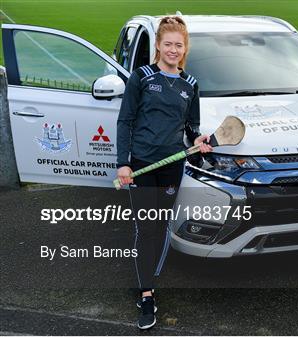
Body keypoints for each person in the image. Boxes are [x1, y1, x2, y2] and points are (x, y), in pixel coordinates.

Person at [116, 16, 213, 329]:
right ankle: (147, 294)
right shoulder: (141, 78)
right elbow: (125, 121)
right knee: (146, 229)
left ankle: (148, 278)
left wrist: (197, 140)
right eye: (168, 43)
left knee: (159, 226)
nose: (173, 49)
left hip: (172, 167)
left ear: (185, 49)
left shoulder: (191, 84)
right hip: (143, 165)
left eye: (179, 45)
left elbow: (191, 127)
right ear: (157, 45)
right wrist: (124, 162)